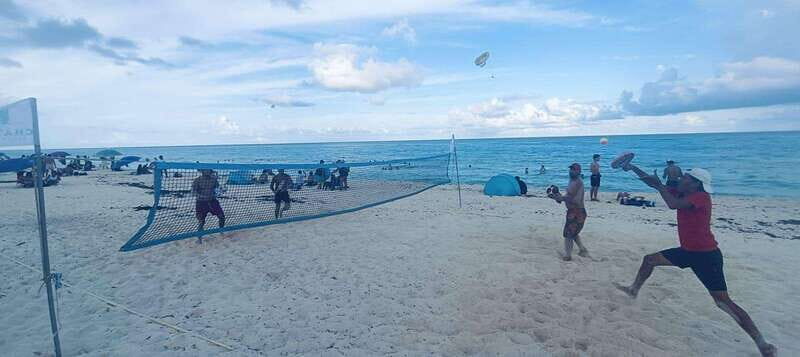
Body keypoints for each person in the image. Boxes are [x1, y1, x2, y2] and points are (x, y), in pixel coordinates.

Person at [615, 163, 776, 357]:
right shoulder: (682, 191)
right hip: (687, 251)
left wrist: (660, 186)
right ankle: (633, 290)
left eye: (686, 178)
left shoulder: (700, 197)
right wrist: (632, 167)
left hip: (706, 256)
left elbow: (672, 203)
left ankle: (762, 344)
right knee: (649, 260)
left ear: (695, 184)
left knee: (723, 302)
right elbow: (654, 183)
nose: (681, 179)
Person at [547, 163, 589, 261]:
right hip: (574, 211)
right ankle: (582, 249)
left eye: (574, 170)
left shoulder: (577, 182)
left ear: (579, 171)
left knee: (568, 234)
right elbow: (568, 197)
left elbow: (572, 199)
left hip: (577, 211)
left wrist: (558, 197)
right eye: (571, 169)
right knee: (573, 233)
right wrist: (558, 196)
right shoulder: (572, 180)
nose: (571, 171)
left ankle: (568, 255)